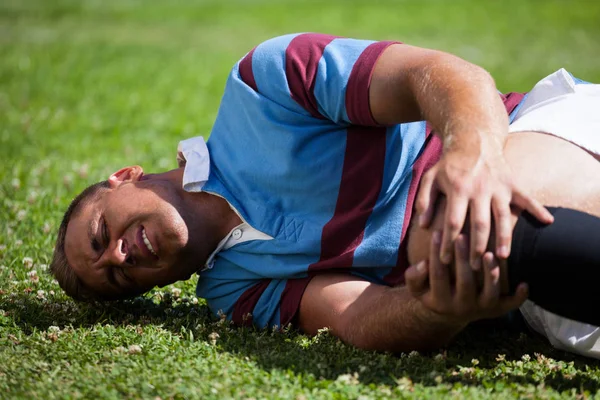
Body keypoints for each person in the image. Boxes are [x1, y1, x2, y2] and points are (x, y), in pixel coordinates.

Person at [50, 33, 600, 358]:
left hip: (531, 137)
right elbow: (359, 318)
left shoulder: (261, 86)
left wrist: (471, 154)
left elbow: (439, 73)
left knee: (464, 219)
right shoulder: (234, 293)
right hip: (523, 290)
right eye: (118, 276)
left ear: (123, 176)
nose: (121, 255)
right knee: (459, 243)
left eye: (101, 234)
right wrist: (435, 308)